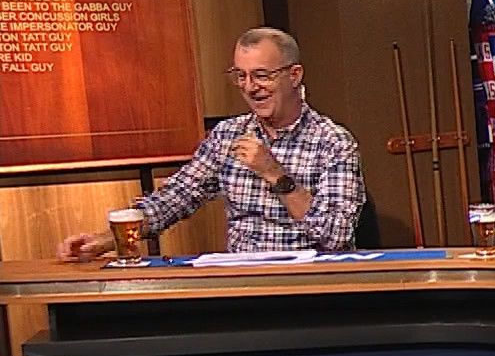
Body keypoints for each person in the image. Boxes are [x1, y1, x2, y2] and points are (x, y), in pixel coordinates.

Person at [57, 28, 364, 260]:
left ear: (294, 75)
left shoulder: (334, 142)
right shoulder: (227, 135)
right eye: (240, 76)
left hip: (310, 284)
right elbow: (176, 197)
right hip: (242, 288)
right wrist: (106, 240)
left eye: (261, 76)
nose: (250, 88)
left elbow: (335, 235)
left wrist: (274, 173)